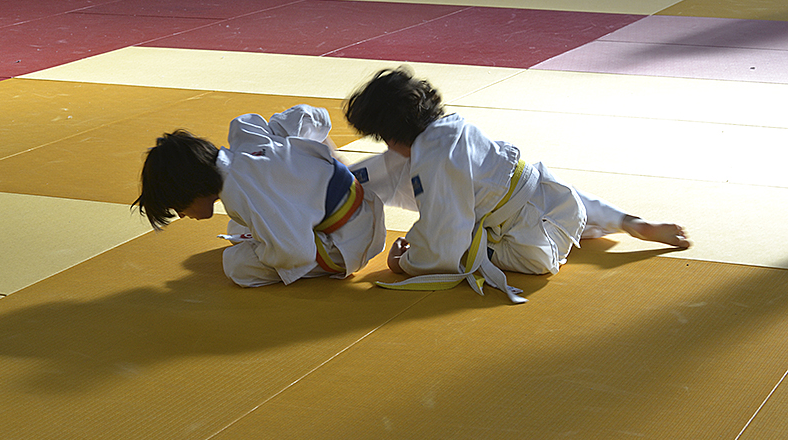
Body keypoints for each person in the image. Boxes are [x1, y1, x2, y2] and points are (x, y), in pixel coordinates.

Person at [344, 68, 689, 303]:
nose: (387, 148)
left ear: (392, 133)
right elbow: (391, 169)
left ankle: (601, 229)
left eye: (384, 138)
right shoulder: (451, 129)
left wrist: (405, 262)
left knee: (471, 247)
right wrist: (346, 177)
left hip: (531, 241)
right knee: (561, 202)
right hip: (553, 197)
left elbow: (444, 232)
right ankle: (630, 222)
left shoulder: (433, 158)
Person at [134, 105, 386, 288]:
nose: (181, 215)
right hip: (357, 203)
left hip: (350, 241)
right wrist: (329, 159)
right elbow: (307, 116)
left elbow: (297, 253)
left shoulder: (242, 191)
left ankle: (273, 242)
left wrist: (263, 248)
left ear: (190, 189)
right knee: (237, 227)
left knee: (237, 266)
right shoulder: (246, 141)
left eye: (177, 207)